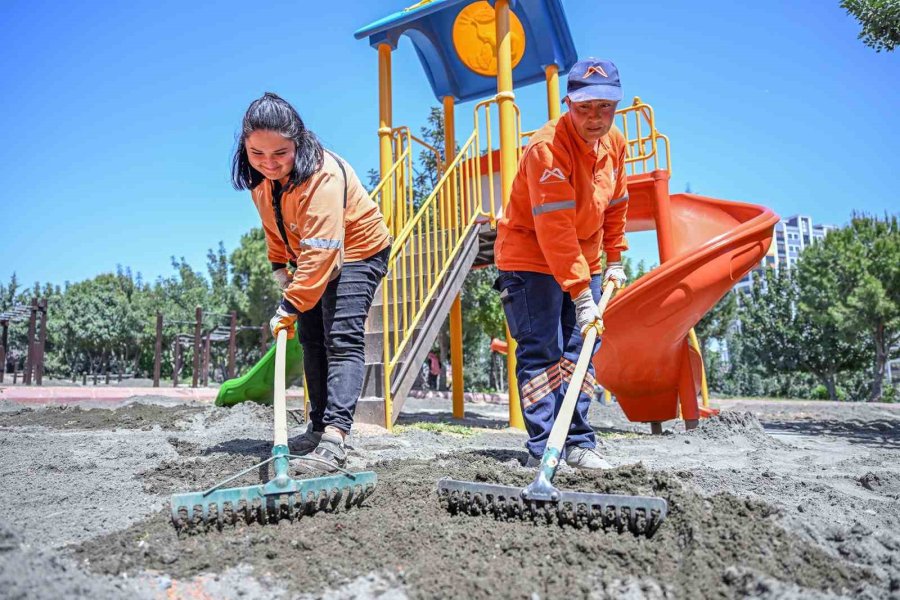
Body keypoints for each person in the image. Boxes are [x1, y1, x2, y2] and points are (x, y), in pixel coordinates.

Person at [232, 92, 391, 472]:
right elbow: (275, 228)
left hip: (359, 248)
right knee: (310, 337)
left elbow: (323, 252)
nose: (269, 163)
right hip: (313, 255)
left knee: (342, 335)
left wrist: (289, 304)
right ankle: (317, 426)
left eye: (280, 153)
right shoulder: (262, 183)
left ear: (297, 143)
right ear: (245, 147)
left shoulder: (323, 177)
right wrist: (280, 272)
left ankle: (336, 437)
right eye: (257, 154)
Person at [493, 58, 629, 470]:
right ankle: (542, 448)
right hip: (529, 257)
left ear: (616, 106)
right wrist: (580, 292)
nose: (595, 118)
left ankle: (577, 442)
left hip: (581, 259)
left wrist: (615, 259)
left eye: (604, 107)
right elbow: (554, 230)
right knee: (541, 349)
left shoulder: (616, 143)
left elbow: (618, 204)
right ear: (568, 103)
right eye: (584, 108)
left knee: (580, 350)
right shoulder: (546, 148)